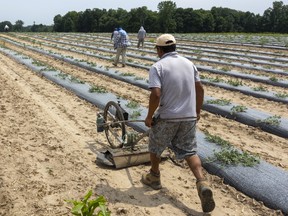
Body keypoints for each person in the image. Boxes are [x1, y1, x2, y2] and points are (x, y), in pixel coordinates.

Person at [141, 34, 215, 213]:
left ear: (159, 50)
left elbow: (156, 94)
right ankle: (201, 182)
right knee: (189, 150)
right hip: (189, 116)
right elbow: (200, 89)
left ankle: (154, 176)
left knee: (156, 145)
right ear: (174, 47)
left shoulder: (158, 66)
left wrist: (150, 116)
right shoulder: (189, 64)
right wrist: (197, 111)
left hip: (168, 116)